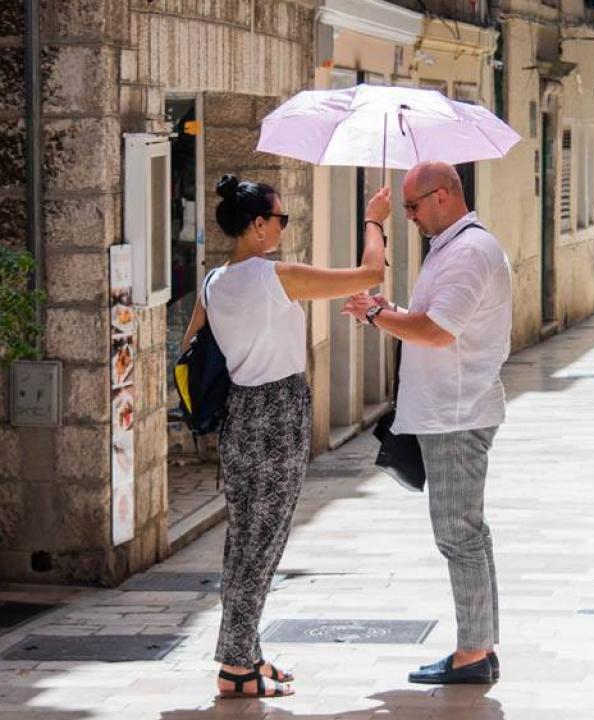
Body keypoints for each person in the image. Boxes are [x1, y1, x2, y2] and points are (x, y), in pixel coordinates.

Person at [181, 175, 388, 699]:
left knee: (244, 539)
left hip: (239, 415)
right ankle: (235, 668)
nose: (281, 227)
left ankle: (245, 650)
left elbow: (191, 348)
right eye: (280, 219)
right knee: (262, 542)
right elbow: (371, 272)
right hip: (279, 412)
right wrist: (374, 221)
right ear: (256, 226)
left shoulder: (212, 282)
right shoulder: (277, 276)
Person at [341, 161, 512, 686]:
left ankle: (473, 654)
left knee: (459, 535)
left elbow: (437, 331)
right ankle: (479, 645)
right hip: (448, 411)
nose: (409, 215)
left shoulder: (469, 252)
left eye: (413, 206)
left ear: (444, 196)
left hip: (456, 415)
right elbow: (432, 320)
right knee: (467, 535)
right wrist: (388, 310)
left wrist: (376, 316)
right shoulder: (452, 249)